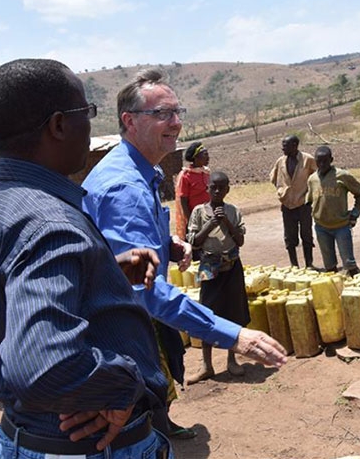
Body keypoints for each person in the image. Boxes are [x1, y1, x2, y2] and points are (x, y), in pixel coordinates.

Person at [0, 58, 176, 457]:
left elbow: (9, 297)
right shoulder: (51, 224)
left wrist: (103, 271)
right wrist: (124, 384)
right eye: (86, 112)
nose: (89, 125)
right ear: (58, 125)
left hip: (23, 433)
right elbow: (41, 365)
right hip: (90, 445)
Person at [83, 68, 287, 440]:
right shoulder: (124, 187)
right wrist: (232, 334)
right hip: (117, 336)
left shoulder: (136, 171)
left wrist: (165, 244)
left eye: (178, 112)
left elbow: (122, 252)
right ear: (129, 121)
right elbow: (144, 289)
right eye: (162, 113)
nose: (176, 122)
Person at [186, 171, 251, 383]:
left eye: (221, 188)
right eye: (213, 187)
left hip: (231, 267)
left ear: (227, 190)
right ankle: (207, 365)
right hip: (209, 267)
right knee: (207, 314)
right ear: (207, 188)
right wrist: (211, 223)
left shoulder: (233, 211)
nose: (216, 191)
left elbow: (240, 241)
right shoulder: (199, 212)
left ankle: (232, 360)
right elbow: (194, 241)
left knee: (234, 313)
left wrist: (227, 223)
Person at [306, 145, 360, 275]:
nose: (322, 164)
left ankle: (355, 281)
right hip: (321, 227)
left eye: (325, 161)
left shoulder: (342, 176)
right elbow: (309, 201)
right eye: (319, 161)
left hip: (341, 226)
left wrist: (355, 212)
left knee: (349, 263)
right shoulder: (312, 179)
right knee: (329, 266)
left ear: (331, 160)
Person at [269, 135, 317, 268]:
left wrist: (310, 194)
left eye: (285, 146)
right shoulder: (280, 161)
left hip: (303, 204)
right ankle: (294, 265)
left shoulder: (308, 159)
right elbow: (273, 178)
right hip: (287, 205)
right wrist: (282, 191)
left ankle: (309, 264)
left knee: (306, 235)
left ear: (295, 145)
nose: (282, 148)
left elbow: (317, 178)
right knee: (290, 237)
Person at [175, 141, 211, 253]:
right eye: (205, 154)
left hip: (208, 214)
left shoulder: (205, 172)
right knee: (196, 245)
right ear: (195, 158)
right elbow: (183, 200)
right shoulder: (186, 176)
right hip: (195, 217)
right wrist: (191, 220)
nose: (208, 157)